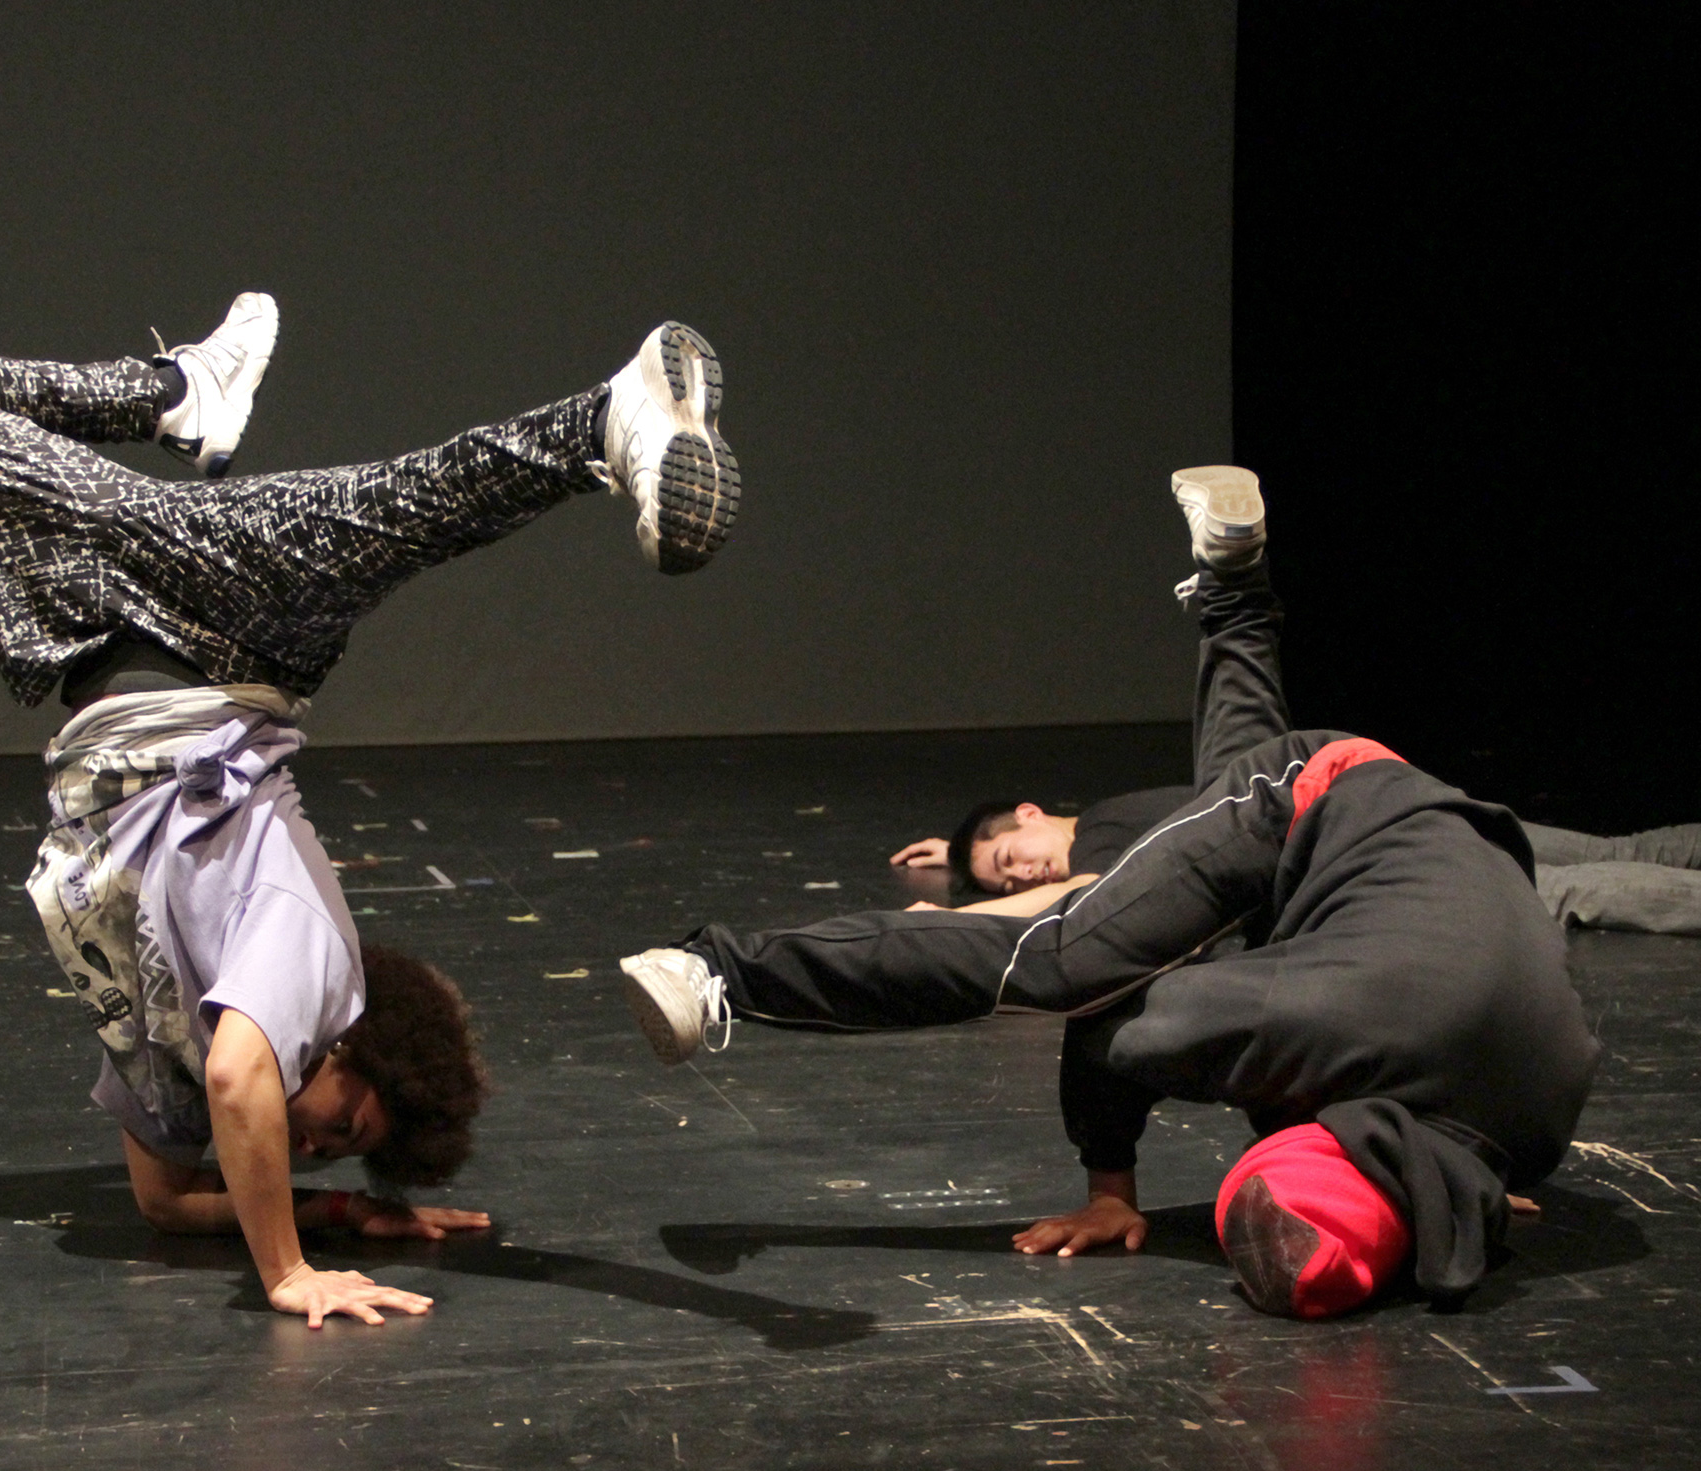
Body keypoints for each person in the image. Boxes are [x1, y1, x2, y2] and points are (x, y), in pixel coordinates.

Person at [0, 293, 740, 1327]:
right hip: (224, 634)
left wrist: (341, 1208)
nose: (309, 1145)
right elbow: (237, 1080)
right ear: (354, 1046)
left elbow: (165, 1202)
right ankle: (604, 420)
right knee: (400, 509)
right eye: (343, 1127)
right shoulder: (318, 964)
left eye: (325, 1153)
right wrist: (288, 1268)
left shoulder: (190, 1051)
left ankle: (178, 395)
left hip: (85, 626)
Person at [620, 465, 1600, 1320]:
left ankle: (1235, 587)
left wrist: (1460, 1181)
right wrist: (1110, 1183)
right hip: (1330, 804)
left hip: (1419, 829)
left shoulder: (1533, 1129)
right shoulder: (1325, 1021)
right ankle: (719, 969)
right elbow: (1112, 1020)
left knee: (1231, 798)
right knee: (1056, 964)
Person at [893, 779, 1701, 957]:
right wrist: (961, 866)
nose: (1020, 870)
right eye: (1008, 873)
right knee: (1609, 853)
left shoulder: (1107, 837)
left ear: (1032, 810)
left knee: (1561, 888)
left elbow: (1070, 893)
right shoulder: (1130, 813)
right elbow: (1045, 882)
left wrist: (959, 913)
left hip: (1363, 849)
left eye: (1012, 851)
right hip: (1384, 795)